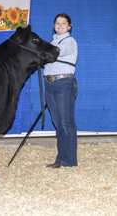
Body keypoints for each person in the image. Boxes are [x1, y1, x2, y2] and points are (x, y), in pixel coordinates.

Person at [44, 13, 78, 168]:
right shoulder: (53, 41)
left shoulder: (69, 41)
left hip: (64, 83)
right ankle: (61, 159)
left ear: (69, 26)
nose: (59, 26)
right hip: (50, 84)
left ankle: (70, 160)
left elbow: (56, 51)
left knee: (66, 122)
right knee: (57, 122)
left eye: (63, 23)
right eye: (57, 23)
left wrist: (39, 49)